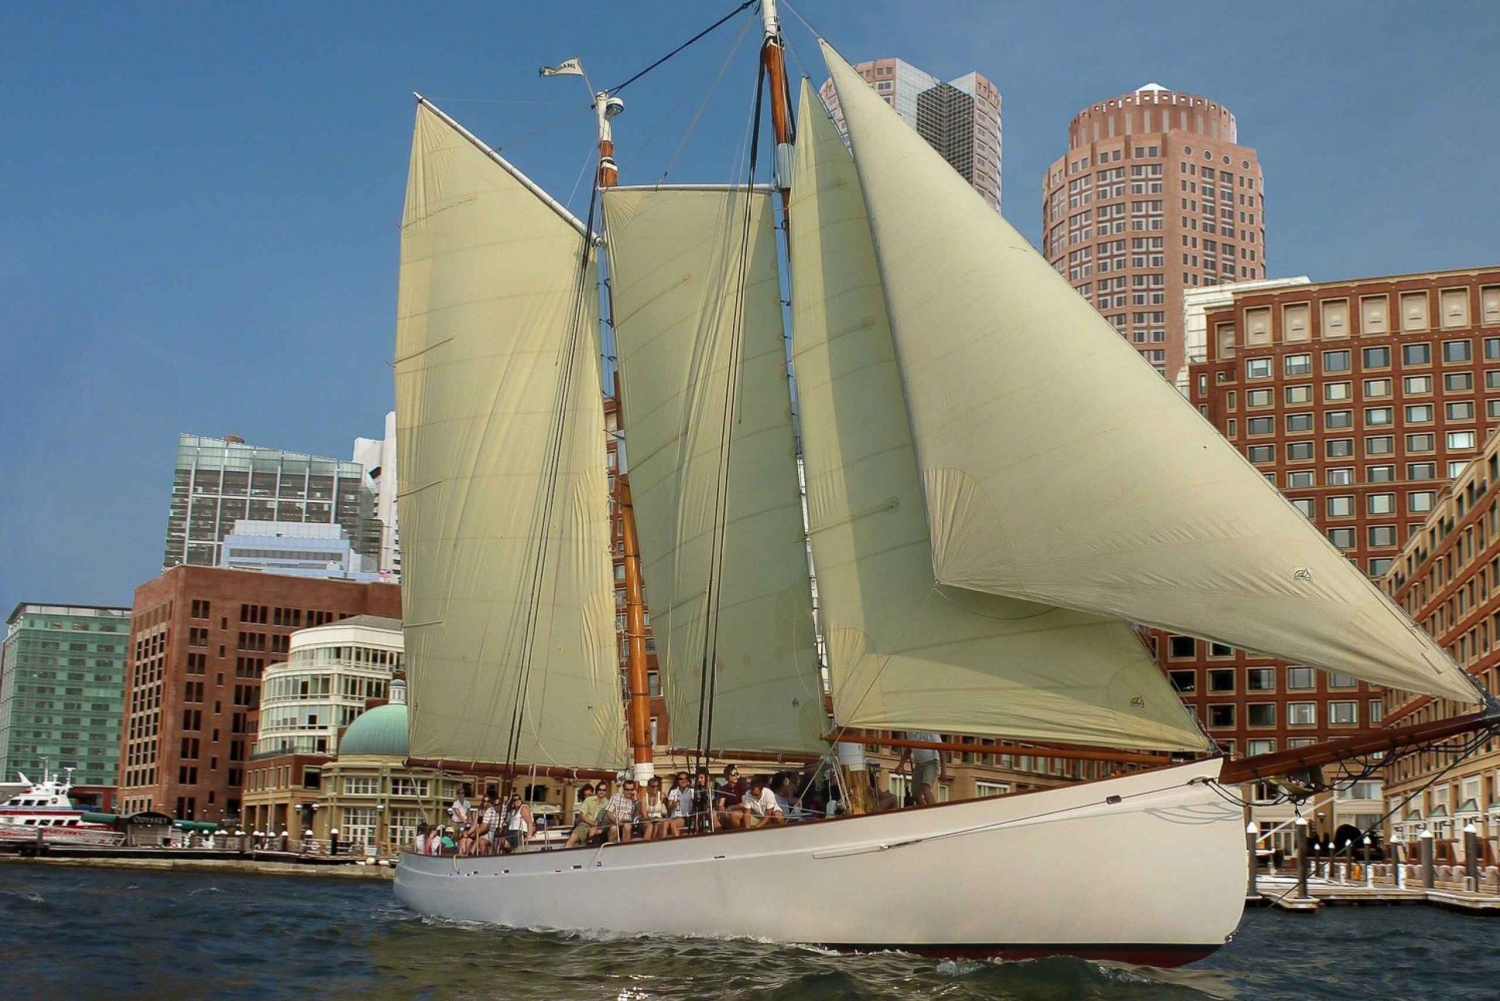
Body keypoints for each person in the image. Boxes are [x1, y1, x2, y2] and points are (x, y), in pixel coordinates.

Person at [897, 731, 946, 807]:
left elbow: (941, 750)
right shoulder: (910, 732)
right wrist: (901, 764)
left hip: (931, 762)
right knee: (915, 793)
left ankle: (934, 811)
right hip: (919, 763)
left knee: (925, 787)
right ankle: (925, 812)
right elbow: (909, 749)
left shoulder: (930, 732)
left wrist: (944, 771)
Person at [565, 782, 607, 848]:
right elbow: (582, 815)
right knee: (571, 839)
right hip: (585, 824)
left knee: (592, 832)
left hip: (598, 826)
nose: (602, 792)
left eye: (604, 790)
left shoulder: (608, 803)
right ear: (597, 791)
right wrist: (592, 823)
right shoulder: (588, 800)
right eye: (600, 790)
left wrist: (599, 827)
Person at [600, 778, 639, 843]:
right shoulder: (615, 797)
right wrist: (615, 819)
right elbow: (609, 812)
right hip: (615, 821)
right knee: (614, 828)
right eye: (627, 790)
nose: (629, 792)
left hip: (627, 822)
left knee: (627, 826)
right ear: (623, 789)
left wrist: (635, 800)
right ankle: (611, 848)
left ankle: (625, 848)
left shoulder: (634, 801)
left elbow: (639, 814)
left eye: (631, 790)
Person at [714, 764, 747, 829]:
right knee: (714, 813)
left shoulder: (741, 786)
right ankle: (719, 833)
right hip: (728, 811)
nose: (735, 776)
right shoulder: (724, 788)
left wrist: (731, 807)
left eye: (737, 774)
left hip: (740, 810)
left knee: (733, 814)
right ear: (727, 777)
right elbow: (721, 804)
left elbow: (744, 803)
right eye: (733, 775)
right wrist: (722, 809)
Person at [666, 771, 694, 837]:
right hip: (674, 816)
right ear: (677, 781)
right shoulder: (673, 792)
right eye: (681, 779)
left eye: (685, 778)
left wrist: (692, 785)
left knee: (673, 824)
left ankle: (677, 843)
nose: (683, 780)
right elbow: (669, 808)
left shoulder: (692, 791)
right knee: (664, 824)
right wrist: (674, 805)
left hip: (685, 817)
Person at [639, 775, 668, 840]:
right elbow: (645, 816)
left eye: (657, 786)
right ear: (648, 787)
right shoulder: (644, 798)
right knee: (651, 825)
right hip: (647, 821)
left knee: (659, 825)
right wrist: (654, 819)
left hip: (659, 820)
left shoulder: (661, 795)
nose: (655, 788)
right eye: (653, 786)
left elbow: (668, 809)